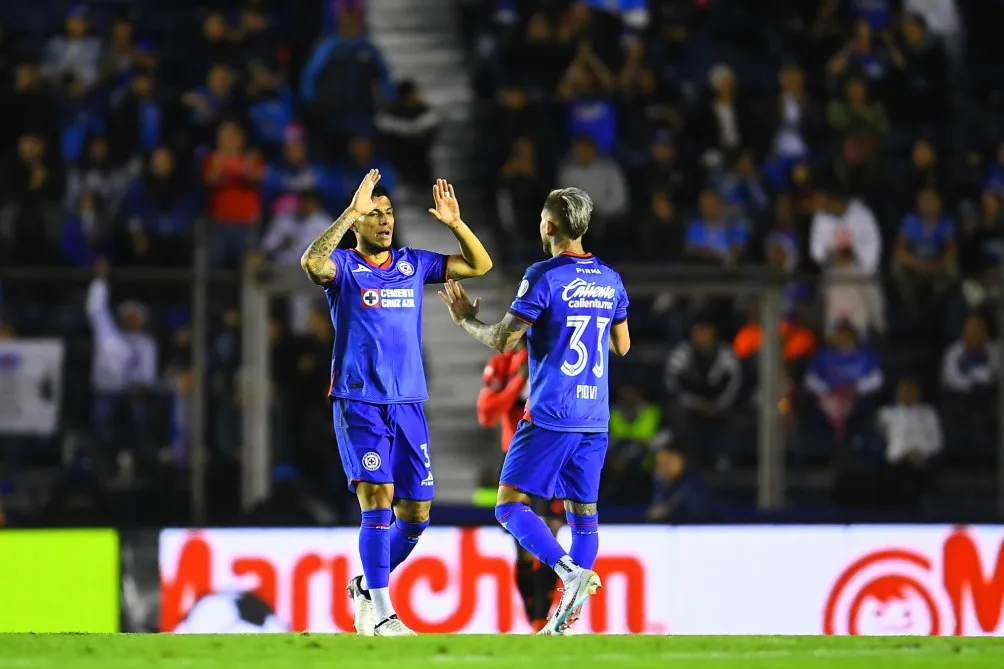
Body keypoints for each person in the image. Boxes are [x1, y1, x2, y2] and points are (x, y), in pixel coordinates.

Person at [299, 170, 493, 636]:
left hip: (407, 402)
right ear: (359, 224)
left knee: (416, 514)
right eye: (374, 215)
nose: (384, 222)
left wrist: (455, 224)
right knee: (377, 499)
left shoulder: (413, 264)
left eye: (388, 215)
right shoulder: (344, 267)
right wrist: (350, 210)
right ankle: (383, 612)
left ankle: (367, 585)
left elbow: (480, 265)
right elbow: (311, 262)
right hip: (359, 401)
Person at [438, 187, 631, 635]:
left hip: (551, 414)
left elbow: (504, 341)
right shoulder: (610, 278)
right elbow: (622, 345)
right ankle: (568, 617)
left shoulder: (543, 276)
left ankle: (568, 574)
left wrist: (465, 318)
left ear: (548, 226)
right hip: (595, 417)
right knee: (584, 516)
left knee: (508, 507)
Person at [476, 339, 562, 631]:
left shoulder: (553, 353)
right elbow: (487, 414)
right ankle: (535, 620)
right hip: (517, 455)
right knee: (526, 547)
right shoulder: (504, 364)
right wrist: (519, 381)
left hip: (552, 452)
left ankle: (542, 619)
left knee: (551, 529)